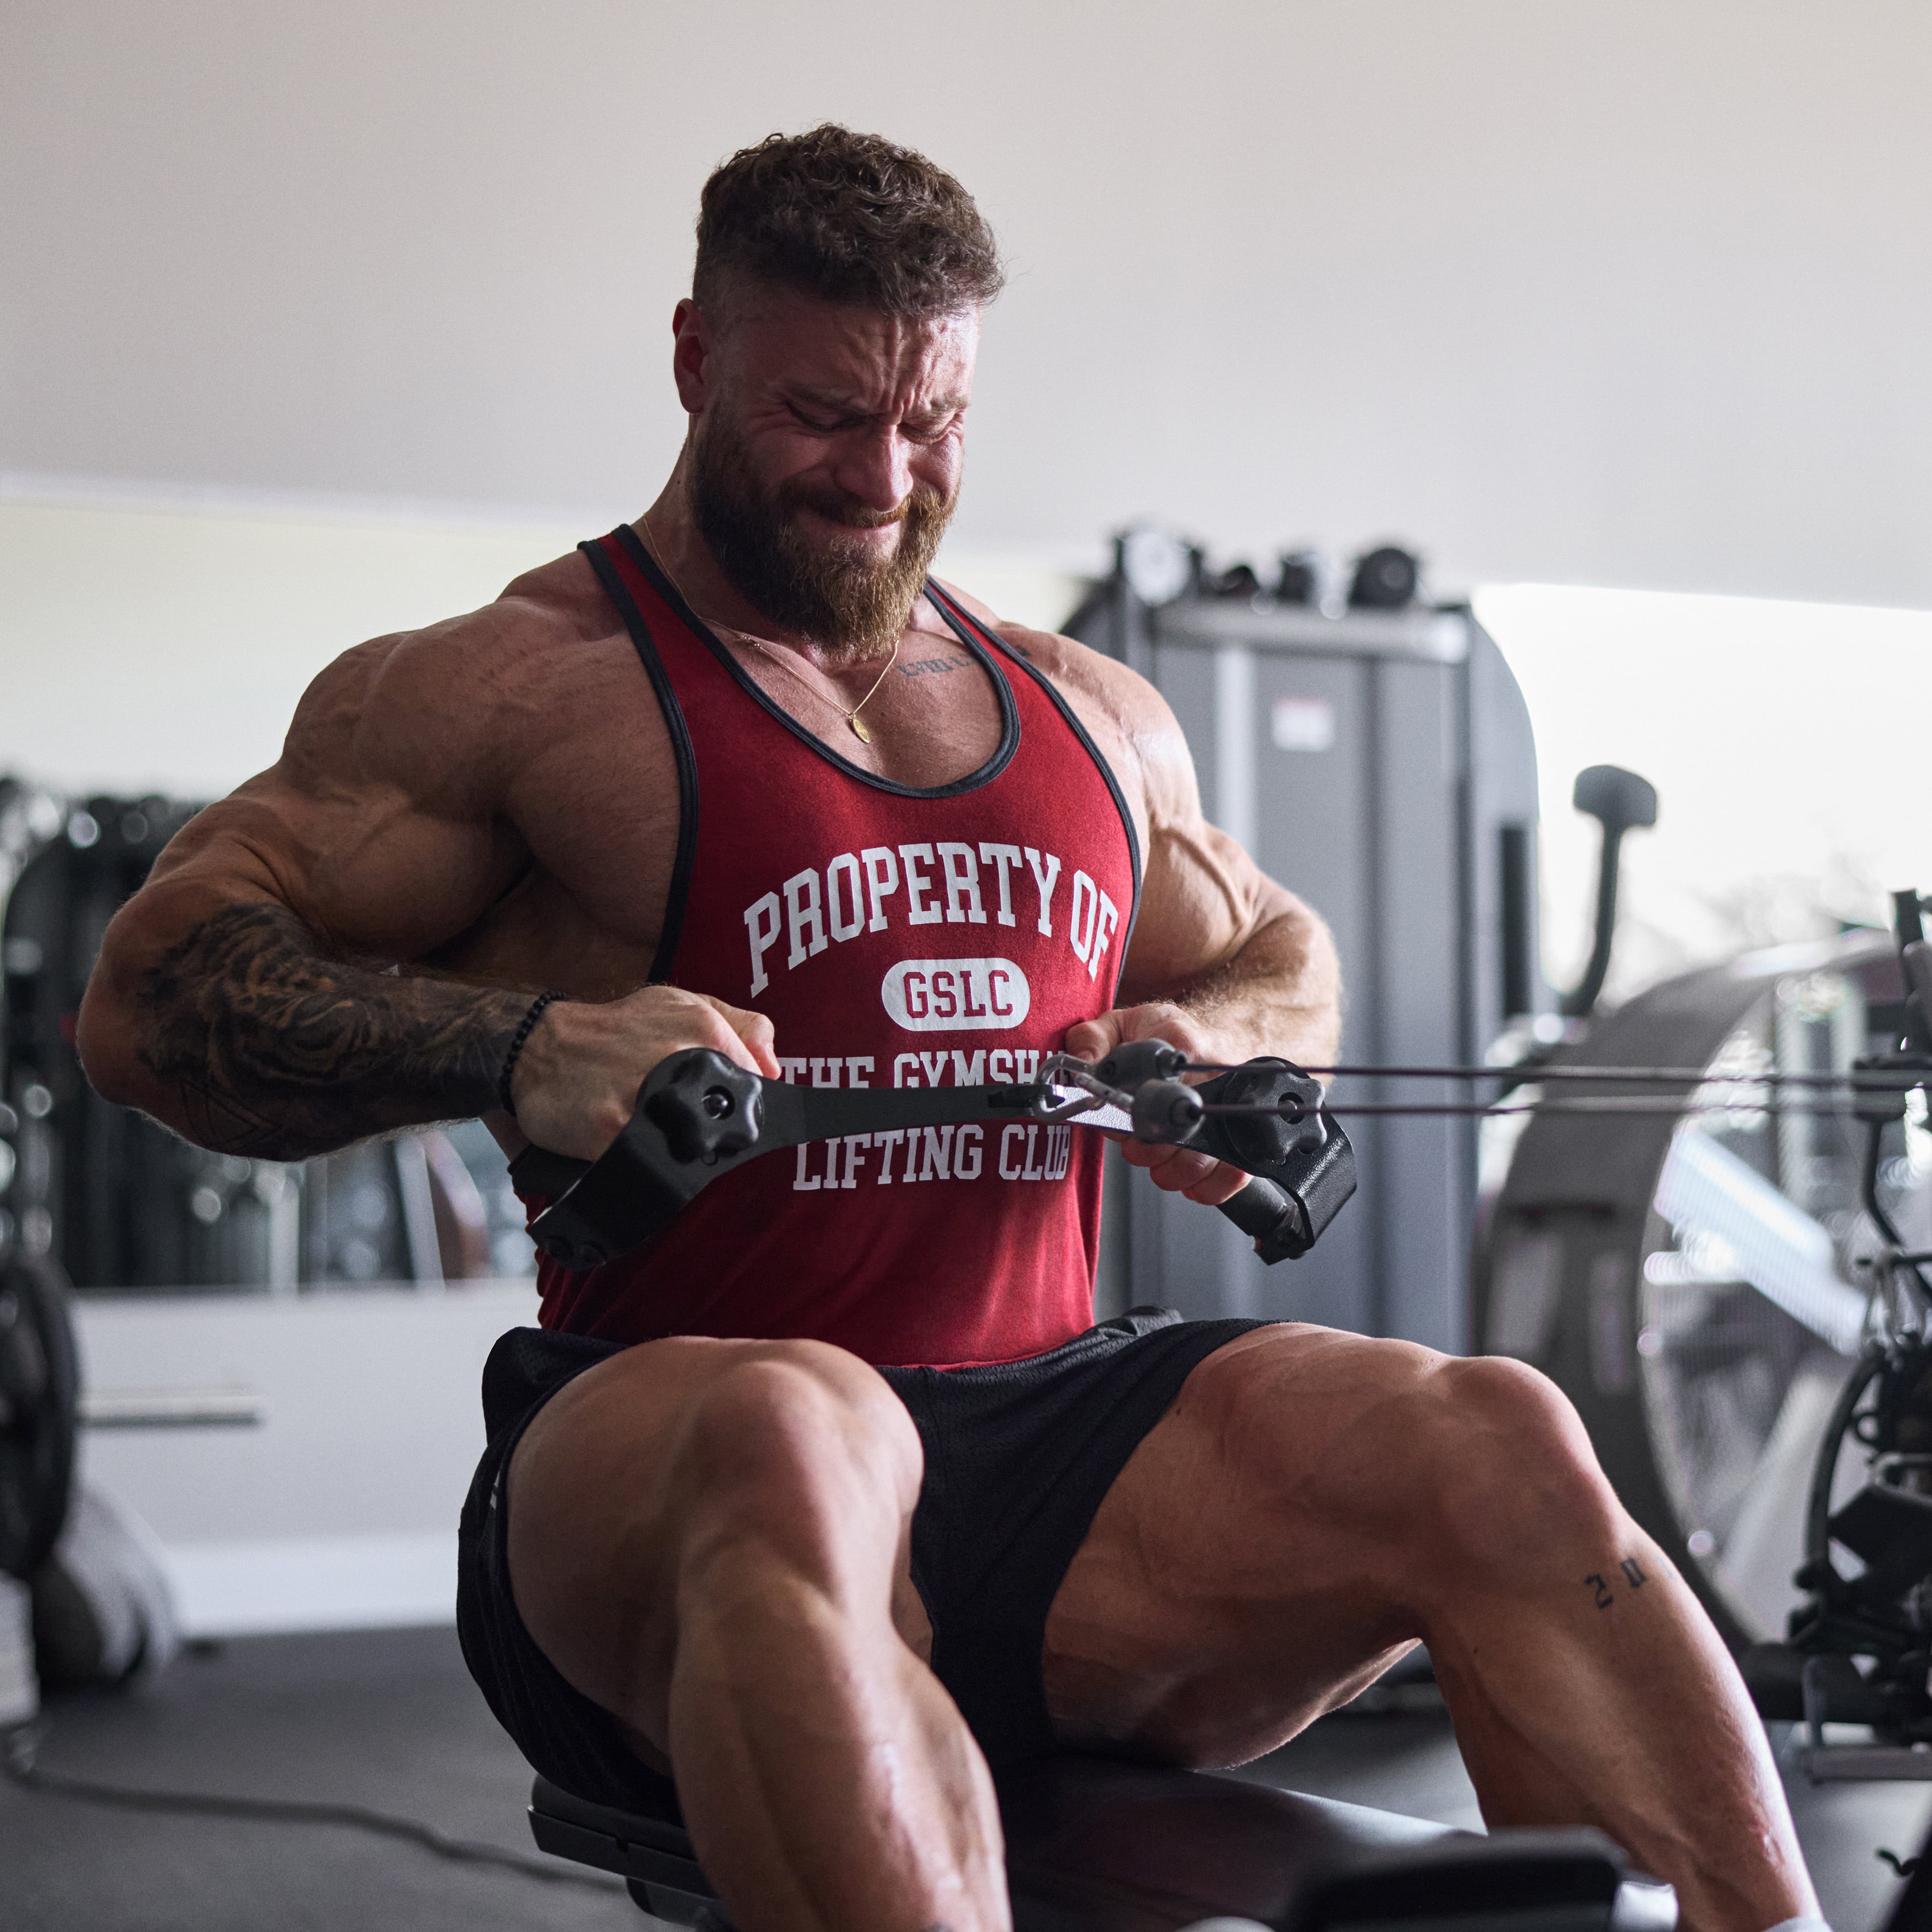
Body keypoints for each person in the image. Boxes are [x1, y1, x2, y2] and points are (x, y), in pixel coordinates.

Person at [80, 126, 1820, 1932]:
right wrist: (520, 1047)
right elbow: (151, 994)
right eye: (825, 415)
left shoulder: (1087, 713)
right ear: (696, 358)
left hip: (1052, 1456)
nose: (886, 475)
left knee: (1494, 1435)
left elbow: (1280, 949)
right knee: (801, 1422)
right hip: (670, 1440)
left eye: (935, 423)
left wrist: (1209, 1037)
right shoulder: (518, 690)